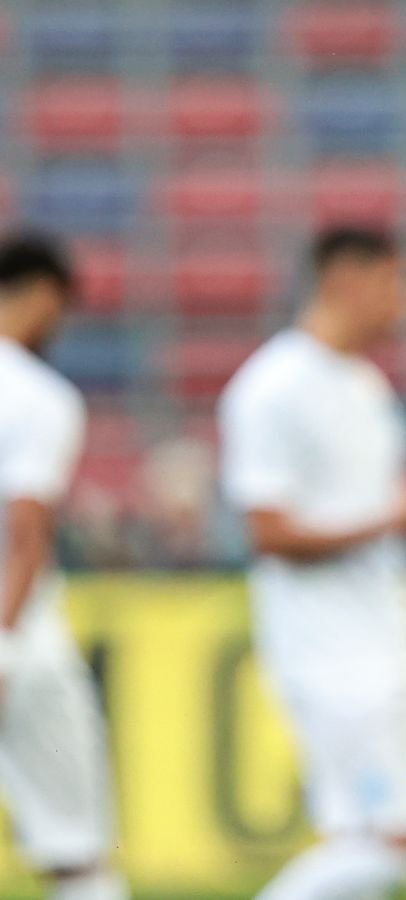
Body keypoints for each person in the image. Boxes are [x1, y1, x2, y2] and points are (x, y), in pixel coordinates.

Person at [218, 227, 406, 900]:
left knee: (393, 834)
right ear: (347, 279)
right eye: (394, 282)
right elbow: (268, 531)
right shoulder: (271, 387)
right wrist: (398, 515)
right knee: (389, 840)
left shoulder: (365, 385)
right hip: (328, 653)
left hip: (384, 635)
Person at [0, 234, 128, 899]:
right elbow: (25, 535)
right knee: (78, 858)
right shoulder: (36, 394)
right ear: (41, 294)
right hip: (21, 635)